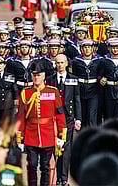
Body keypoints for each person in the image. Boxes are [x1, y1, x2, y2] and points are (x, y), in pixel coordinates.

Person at [16, 63, 66, 186]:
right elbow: (21, 116)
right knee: (32, 165)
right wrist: (19, 138)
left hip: (48, 134)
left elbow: (60, 114)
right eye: (34, 75)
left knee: (45, 166)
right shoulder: (26, 92)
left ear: (44, 76)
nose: (36, 78)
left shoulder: (53, 92)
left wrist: (61, 136)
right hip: (30, 134)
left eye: (38, 75)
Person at [46, 54, 82, 186]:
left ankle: (63, 178)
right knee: (57, 146)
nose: (60, 65)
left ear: (66, 63)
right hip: (54, 118)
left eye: (62, 62)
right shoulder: (50, 80)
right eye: (57, 63)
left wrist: (78, 118)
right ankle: (58, 177)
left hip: (68, 118)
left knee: (66, 148)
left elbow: (77, 99)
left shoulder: (74, 79)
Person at [72, 40, 101, 127]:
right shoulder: (76, 61)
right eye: (85, 47)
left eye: (89, 47)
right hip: (81, 88)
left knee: (92, 115)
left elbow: (101, 73)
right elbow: (74, 75)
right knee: (82, 115)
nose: (87, 49)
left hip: (94, 89)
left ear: (93, 48)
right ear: (81, 49)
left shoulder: (98, 60)